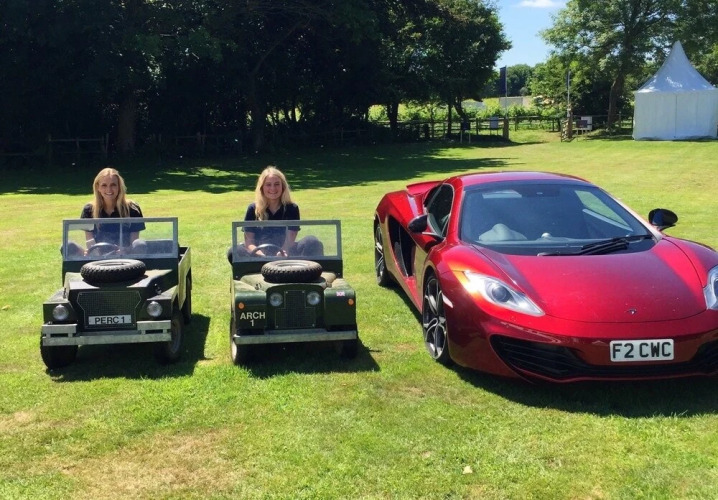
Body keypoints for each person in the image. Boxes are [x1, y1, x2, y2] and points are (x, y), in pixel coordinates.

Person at [228, 166, 322, 262]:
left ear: (283, 186)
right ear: (262, 187)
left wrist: (282, 253)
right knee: (234, 251)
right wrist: (262, 256)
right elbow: (249, 242)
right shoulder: (253, 209)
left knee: (312, 242)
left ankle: (303, 271)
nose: (273, 188)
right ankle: (257, 269)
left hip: (286, 254)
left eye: (277, 184)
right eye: (268, 184)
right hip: (259, 255)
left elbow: (291, 237)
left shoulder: (292, 208)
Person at [67, 167, 146, 256]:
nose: (109, 189)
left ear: (119, 187)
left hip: (124, 257)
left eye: (113, 185)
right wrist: (93, 252)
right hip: (97, 257)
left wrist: (125, 250)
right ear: (98, 187)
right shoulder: (88, 210)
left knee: (140, 244)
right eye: (104, 185)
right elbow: (90, 241)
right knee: (68, 246)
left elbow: (134, 244)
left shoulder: (132, 209)